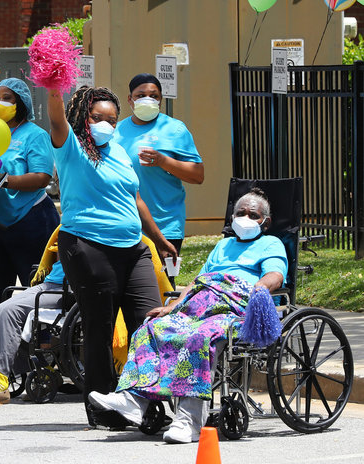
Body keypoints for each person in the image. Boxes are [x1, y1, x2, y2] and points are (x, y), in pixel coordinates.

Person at [87, 188, 287, 443]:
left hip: (235, 305)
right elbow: (198, 281)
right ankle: (134, 400)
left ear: (265, 222)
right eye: (240, 213)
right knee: (152, 328)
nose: (244, 218)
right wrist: (174, 306)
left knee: (199, 339)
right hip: (201, 301)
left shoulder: (271, 244)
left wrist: (260, 288)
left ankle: (189, 421)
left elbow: (275, 275)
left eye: (252, 214)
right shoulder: (223, 245)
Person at [46, 84, 177, 426]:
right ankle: (103, 409)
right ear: (83, 119)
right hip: (88, 247)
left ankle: (147, 406)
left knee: (149, 325)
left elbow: (134, 199)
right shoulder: (71, 148)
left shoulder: (119, 151)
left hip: (133, 250)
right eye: (97, 117)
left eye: (112, 119)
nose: (106, 124)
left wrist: (159, 240)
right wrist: (54, 88)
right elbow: (57, 121)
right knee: (100, 329)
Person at [0, 78, 60, 367]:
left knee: (35, 289)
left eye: (8, 98)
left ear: (21, 102)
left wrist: (5, 181)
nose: (1, 104)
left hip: (30, 220)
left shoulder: (35, 135)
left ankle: (42, 348)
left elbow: (43, 177)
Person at [113, 73, 204, 284]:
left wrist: (163, 161)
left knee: (161, 287)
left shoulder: (175, 129)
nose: (148, 99)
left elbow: (198, 175)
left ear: (161, 99)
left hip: (165, 225)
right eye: (141, 95)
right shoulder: (117, 131)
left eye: (154, 96)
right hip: (125, 223)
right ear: (130, 99)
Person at [0, 259, 66, 406]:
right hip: (52, 281)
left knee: (9, 312)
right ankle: (46, 372)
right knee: (0, 310)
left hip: (68, 285)